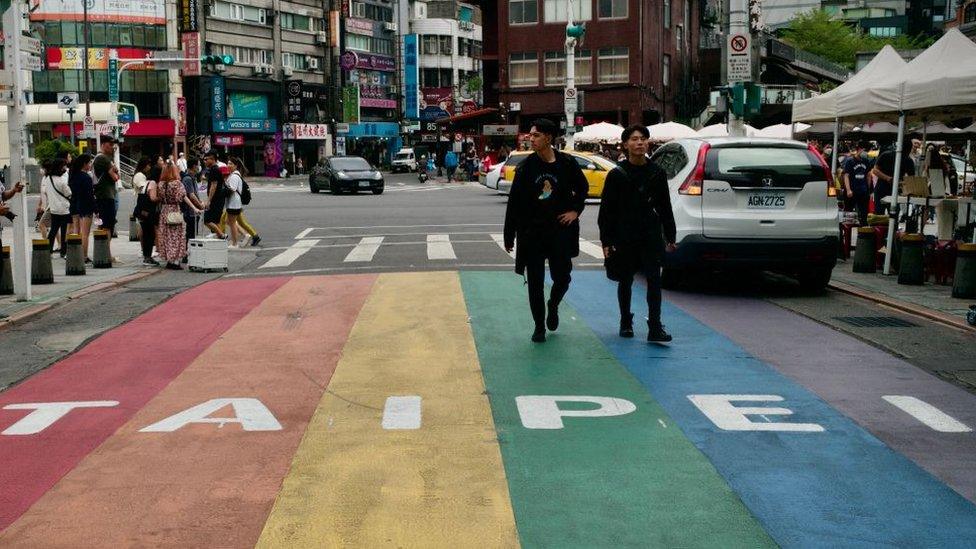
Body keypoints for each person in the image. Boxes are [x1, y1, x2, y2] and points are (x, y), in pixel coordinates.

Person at [503, 118, 589, 343]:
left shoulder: (567, 163)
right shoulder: (526, 167)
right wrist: (509, 234)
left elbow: (583, 188)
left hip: (560, 231)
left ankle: (553, 304)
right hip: (532, 233)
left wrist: (575, 211)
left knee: (563, 278)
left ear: (548, 138)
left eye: (536, 135)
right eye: (530, 135)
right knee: (535, 282)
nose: (531, 139)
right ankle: (539, 326)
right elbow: (514, 203)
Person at [598, 125, 677, 342]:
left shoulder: (657, 173)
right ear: (625, 145)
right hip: (624, 235)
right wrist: (607, 240)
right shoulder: (616, 175)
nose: (639, 142)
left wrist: (671, 236)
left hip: (650, 234)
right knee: (625, 280)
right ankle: (626, 321)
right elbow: (606, 212)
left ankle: (655, 326)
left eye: (643, 139)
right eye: (634, 139)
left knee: (654, 280)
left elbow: (665, 206)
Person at [152, 161, 198, 269]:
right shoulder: (177, 184)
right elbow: (184, 197)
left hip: (164, 211)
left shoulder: (161, 184)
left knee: (166, 236)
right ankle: (175, 261)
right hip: (174, 211)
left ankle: (169, 260)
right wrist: (194, 208)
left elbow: (158, 198)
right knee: (177, 237)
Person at [871, 138, 916, 216]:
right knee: (880, 215)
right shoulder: (886, 155)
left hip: (895, 191)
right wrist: (888, 178)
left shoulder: (908, 161)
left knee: (892, 215)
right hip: (882, 189)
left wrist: (904, 185)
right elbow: (875, 170)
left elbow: (911, 178)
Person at [92, 136, 120, 259]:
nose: (112, 147)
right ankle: (106, 254)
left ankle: (101, 252)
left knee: (101, 224)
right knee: (108, 225)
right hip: (106, 196)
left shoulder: (99, 158)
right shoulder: (103, 158)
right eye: (110, 144)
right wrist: (115, 172)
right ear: (103, 145)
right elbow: (115, 177)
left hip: (100, 196)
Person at [68, 154, 96, 263]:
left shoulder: (73, 176)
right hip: (86, 206)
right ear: (84, 164)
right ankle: (84, 256)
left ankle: (76, 253)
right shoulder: (86, 178)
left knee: (77, 231)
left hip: (75, 205)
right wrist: (96, 208)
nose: (90, 165)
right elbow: (89, 195)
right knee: (85, 233)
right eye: (89, 163)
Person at [42, 159, 72, 258]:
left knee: (53, 230)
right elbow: (69, 194)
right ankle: (63, 252)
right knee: (64, 232)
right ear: (59, 168)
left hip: (54, 208)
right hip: (64, 209)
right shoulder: (61, 181)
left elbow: (45, 191)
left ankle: (48, 250)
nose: (65, 168)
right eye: (63, 166)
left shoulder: (48, 179)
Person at [132, 157, 159, 265]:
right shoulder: (140, 176)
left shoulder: (143, 177)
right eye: (148, 165)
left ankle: (147, 255)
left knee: (148, 232)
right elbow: (145, 191)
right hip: (144, 208)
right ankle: (146, 255)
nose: (149, 167)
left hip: (143, 208)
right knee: (147, 232)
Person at [181, 157, 205, 261]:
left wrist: (200, 202)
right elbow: (191, 195)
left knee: (192, 233)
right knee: (190, 234)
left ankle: (189, 254)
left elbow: (195, 194)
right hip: (189, 211)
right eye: (198, 165)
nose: (199, 167)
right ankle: (186, 255)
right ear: (194, 166)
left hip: (194, 211)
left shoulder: (193, 177)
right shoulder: (187, 178)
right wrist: (199, 205)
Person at [843, 142, 871, 226]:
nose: (865, 153)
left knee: (864, 214)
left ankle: (862, 233)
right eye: (863, 150)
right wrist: (848, 190)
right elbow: (846, 176)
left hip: (863, 191)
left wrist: (868, 189)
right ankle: (848, 233)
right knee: (849, 214)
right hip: (852, 190)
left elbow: (868, 175)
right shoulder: (850, 161)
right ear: (859, 150)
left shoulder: (866, 161)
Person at [202, 152, 227, 239]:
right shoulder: (214, 169)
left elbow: (214, 185)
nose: (204, 161)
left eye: (206, 159)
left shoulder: (214, 170)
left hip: (216, 199)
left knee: (207, 220)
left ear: (212, 159)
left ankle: (221, 235)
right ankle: (220, 235)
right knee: (215, 221)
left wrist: (208, 201)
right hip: (218, 198)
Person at [224, 156, 247, 247]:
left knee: (232, 223)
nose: (228, 165)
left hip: (233, 203)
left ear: (235, 166)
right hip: (234, 203)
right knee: (229, 221)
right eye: (228, 163)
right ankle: (245, 234)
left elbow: (232, 189)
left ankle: (235, 243)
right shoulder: (234, 174)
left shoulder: (234, 176)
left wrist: (224, 187)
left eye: (231, 164)